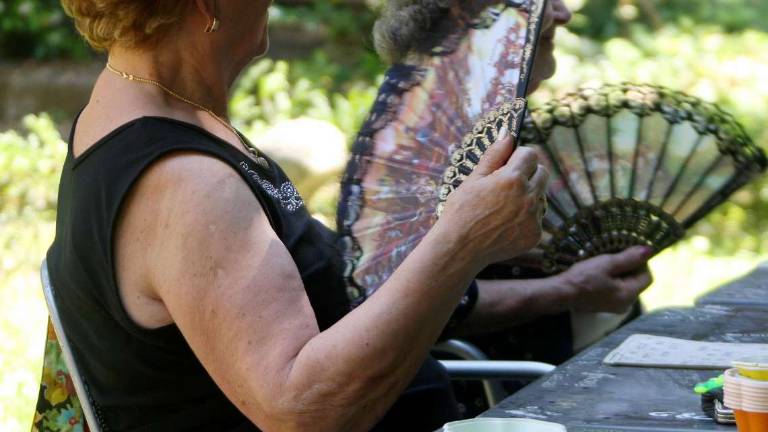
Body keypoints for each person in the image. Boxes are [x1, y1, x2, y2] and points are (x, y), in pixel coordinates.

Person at [48, 0, 550, 430]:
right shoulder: (185, 184)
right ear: (205, 6)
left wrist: (553, 286)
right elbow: (303, 414)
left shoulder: (142, 112)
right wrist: (462, 242)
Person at [373, 0, 654, 365]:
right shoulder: (421, 140)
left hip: (587, 354)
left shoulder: (504, 117)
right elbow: (393, 301)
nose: (564, 14)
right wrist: (569, 290)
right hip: (505, 388)